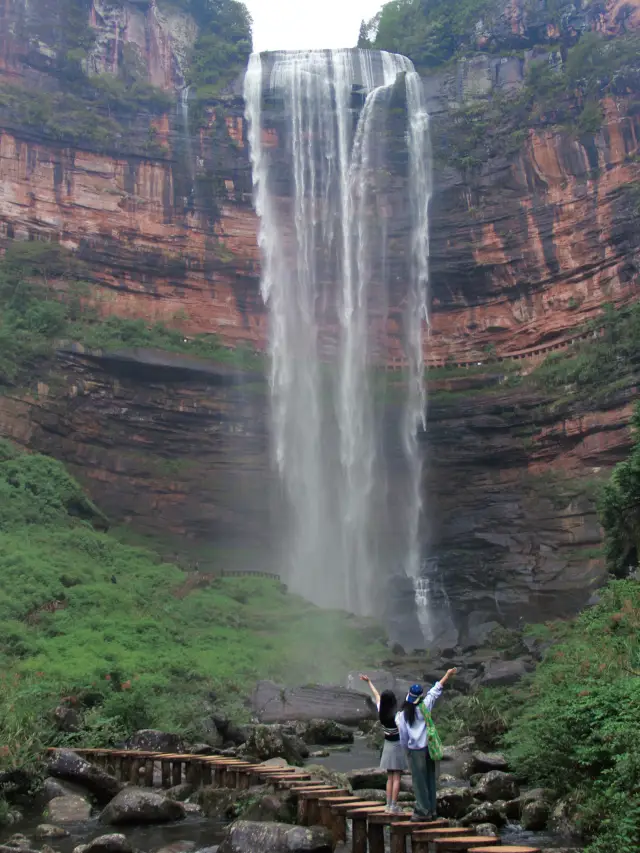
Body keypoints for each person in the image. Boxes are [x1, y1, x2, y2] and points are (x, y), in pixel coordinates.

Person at [397, 668, 457, 821]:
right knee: (430, 779)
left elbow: (403, 736)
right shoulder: (425, 706)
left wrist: (406, 750)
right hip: (429, 748)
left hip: (415, 750)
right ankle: (432, 810)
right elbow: (435, 690)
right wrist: (448, 675)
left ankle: (422, 811)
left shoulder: (403, 715)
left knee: (419, 781)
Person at [359, 674, 407, 813]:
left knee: (389, 777)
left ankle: (387, 805)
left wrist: (369, 682)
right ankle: (394, 805)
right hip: (397, 746)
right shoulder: (397, 716)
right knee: (397, 777)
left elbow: (377, 695)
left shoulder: (381, 711)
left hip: (387, 745)